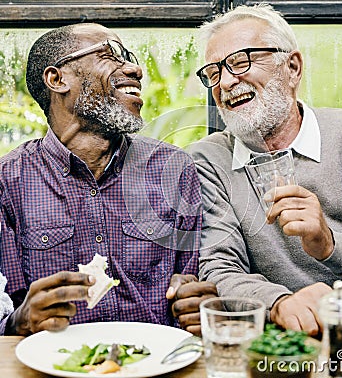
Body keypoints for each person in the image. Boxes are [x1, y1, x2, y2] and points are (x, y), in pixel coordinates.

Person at [190, 3, 342, 336]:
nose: (226, 82)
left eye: (241, 61)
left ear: (292, 67)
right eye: (214, 72)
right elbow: (219, 268)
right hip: (279, 347)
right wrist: (280, 303)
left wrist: (330, 246)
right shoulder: (208, 159)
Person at [0, 22, 217, 336]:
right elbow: (10, 314)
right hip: (53, 364)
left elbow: (194, 283)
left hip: (158, 362)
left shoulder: (173, 168)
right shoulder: (8, 182)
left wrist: (196, 303)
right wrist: (19, 321)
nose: (137, 70)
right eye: (112, 55)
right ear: (57, 79)